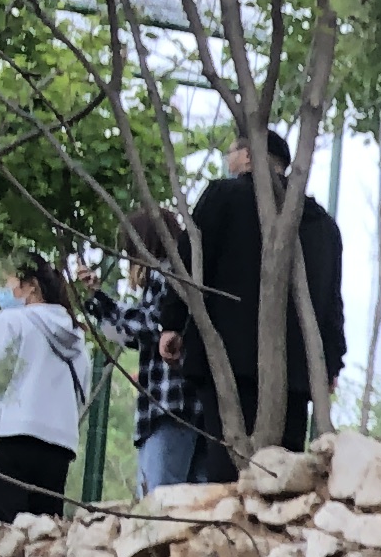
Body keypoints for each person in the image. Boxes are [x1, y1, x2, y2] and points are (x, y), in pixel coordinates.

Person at [188, 125, 347, 453]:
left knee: (226, 463)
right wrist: (330, 361)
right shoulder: (322, 225)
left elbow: (192, 263)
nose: (229, 161)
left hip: (228, 360)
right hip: (296, 373)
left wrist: (173, 323)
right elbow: (332, 303)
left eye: (231, 152)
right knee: (282, 471)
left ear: (247, 156)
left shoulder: (223, 198)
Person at [92, 202, 222, 491]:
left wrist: (101, 304)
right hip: (198, 408)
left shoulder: (164, 272)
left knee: (157, 501)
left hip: (168, 405)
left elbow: (150, 325)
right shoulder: (189, 273)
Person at [0, 257, 89, 529]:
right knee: (44, 537)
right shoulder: (77, 337)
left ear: (31, 287)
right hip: (58, 445)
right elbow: (81, 393)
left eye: (9, 282)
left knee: (7, 536)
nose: (3, 289)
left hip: (9, 439)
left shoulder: (12, 321)